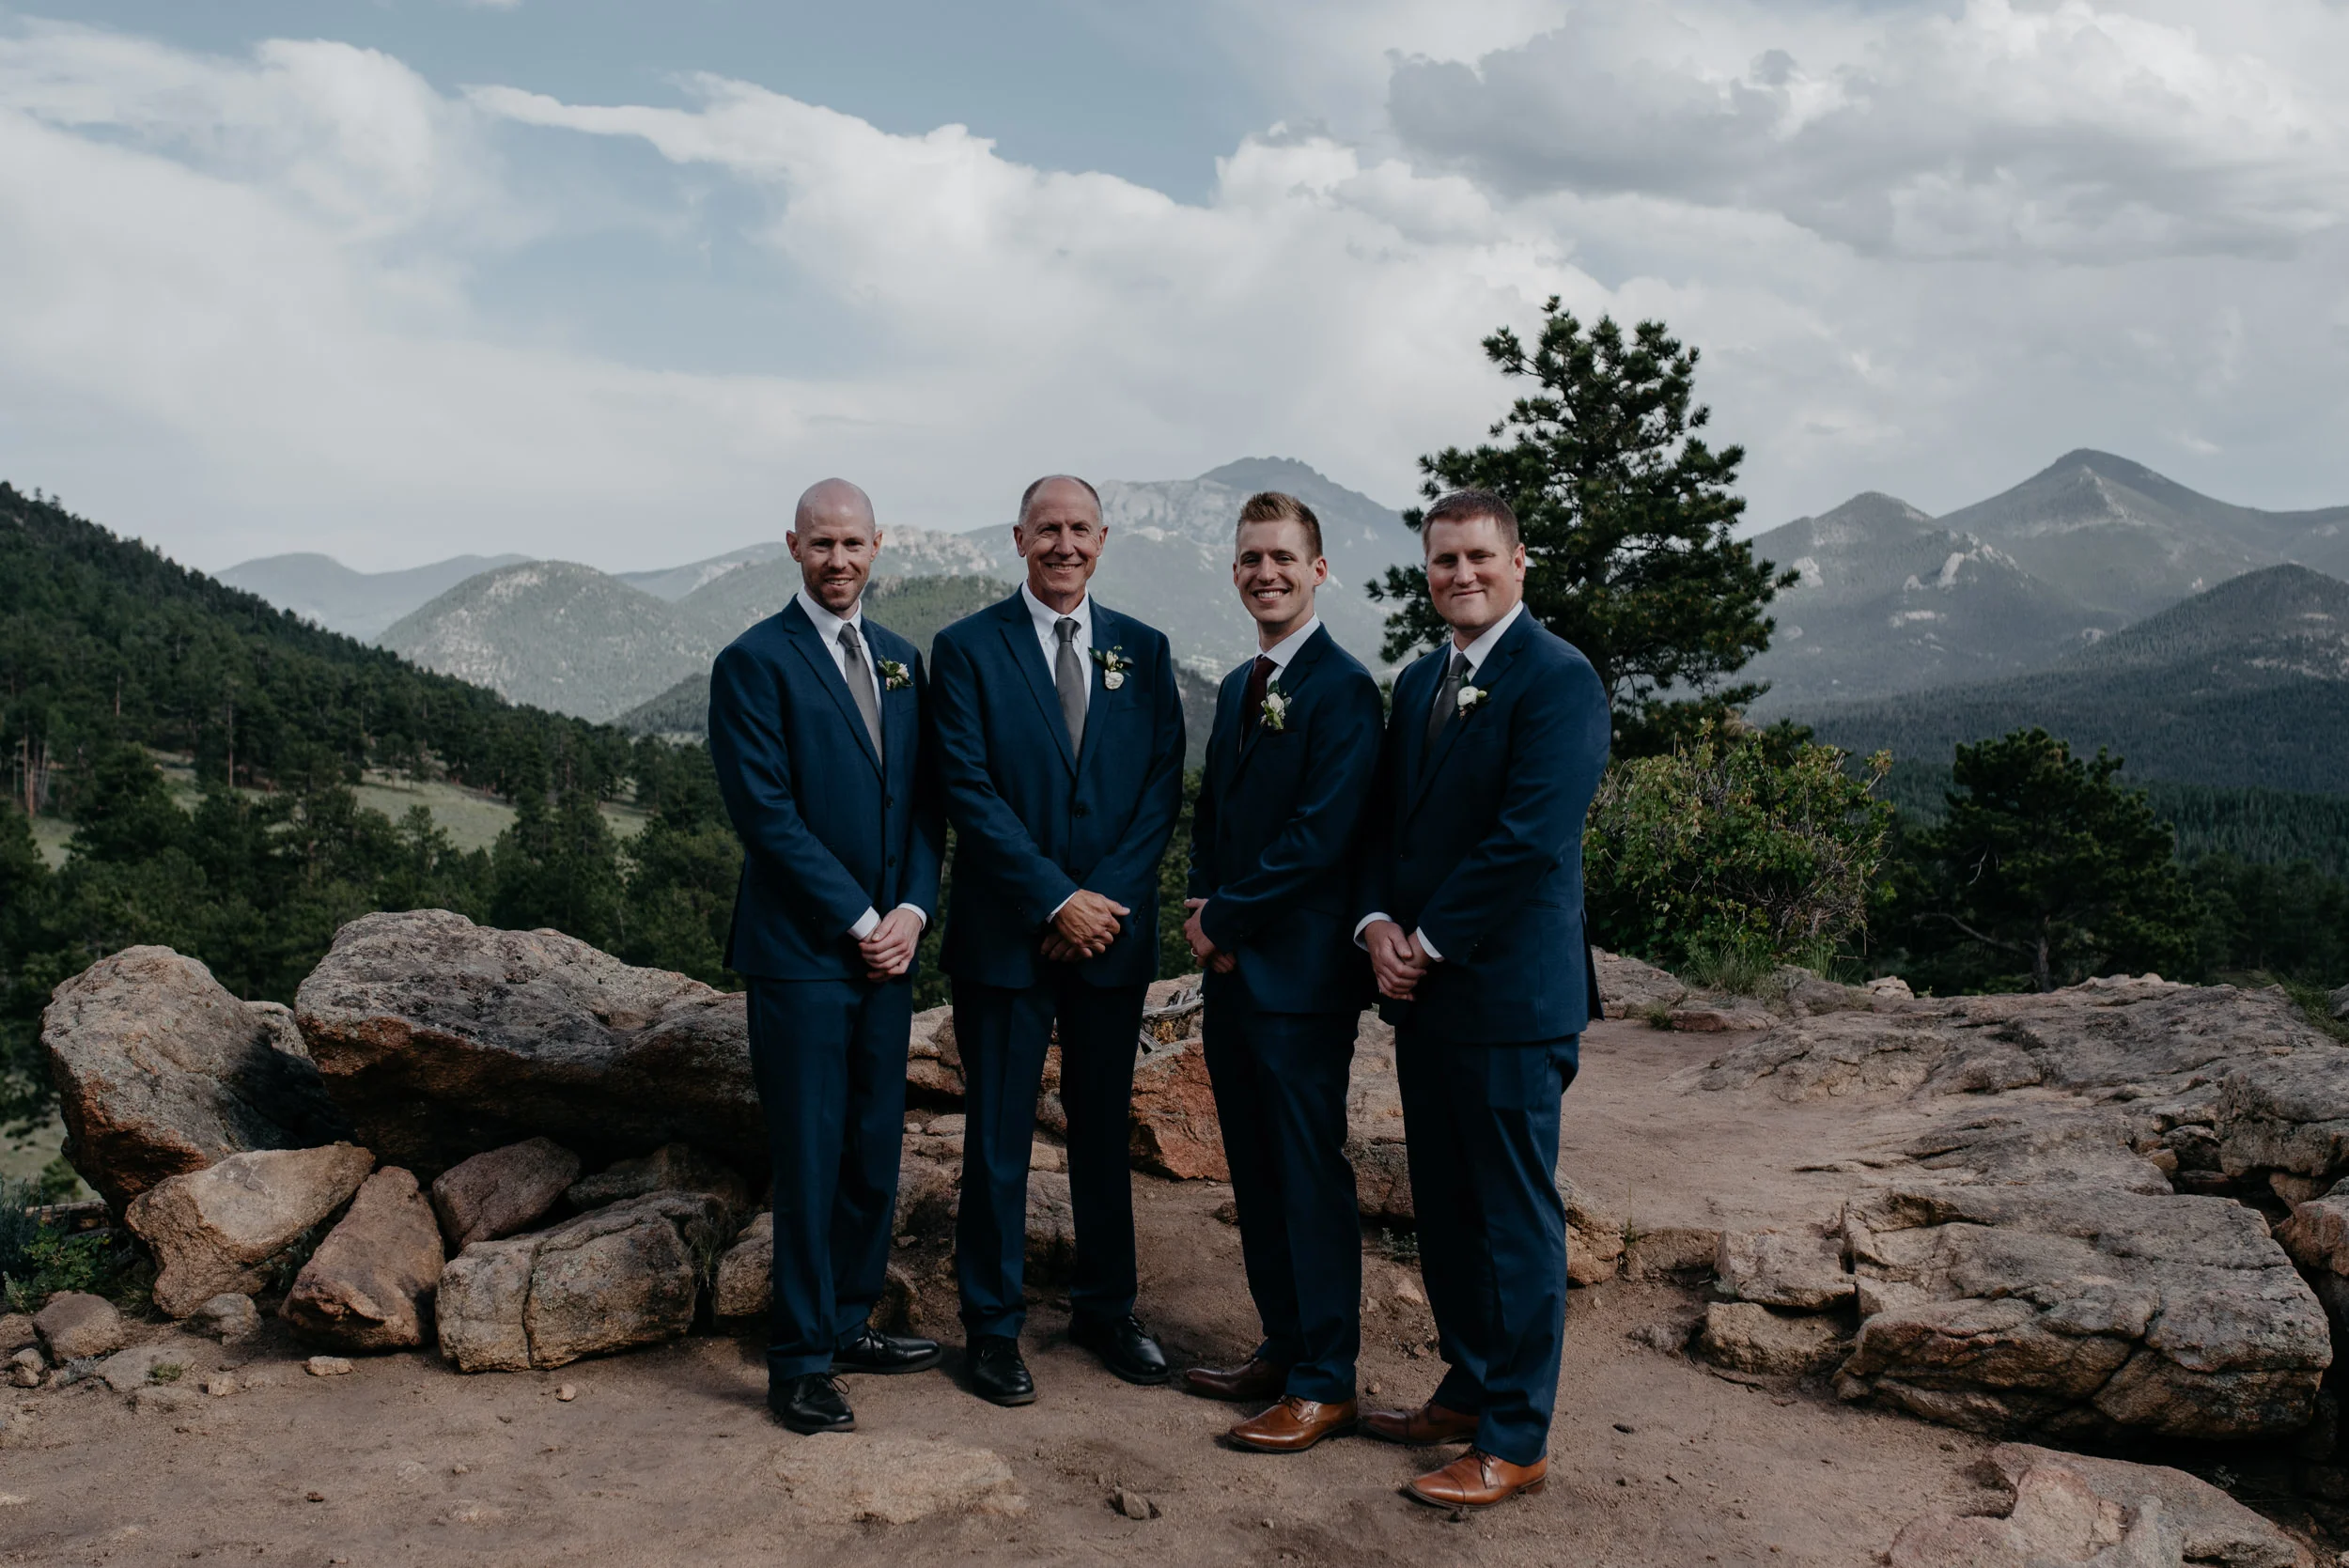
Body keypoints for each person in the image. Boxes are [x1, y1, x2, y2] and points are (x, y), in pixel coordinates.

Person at [1352, 488, 1610, 1509]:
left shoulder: (1558, 679)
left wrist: (1429, 939)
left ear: (1517, 561)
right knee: (1447, 1211)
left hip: (1508, 995)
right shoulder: (1421, 680)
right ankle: (1466, 1387)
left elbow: (1528, 835)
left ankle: (1516, 1435)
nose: (1459, 575)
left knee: (1511, 1218)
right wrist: (1373, 924)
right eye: (1443, 561)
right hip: (1423, 995)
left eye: (1476, 558)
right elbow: (1385, 825)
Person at [928, 474, 1187, 1405]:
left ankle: (1106, 1307)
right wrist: (1052, 900)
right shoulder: (964, 650)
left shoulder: (1145, 652)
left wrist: (1102, 901)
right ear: (1018, 538)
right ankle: (992, 1327)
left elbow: (1162, 786)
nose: (1063, 544)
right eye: (1047, 529)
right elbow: (966, 788)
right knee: (997, 1138)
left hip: (1111, 938)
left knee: (1101, 1129)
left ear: (1103, 538)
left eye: (1079, 529)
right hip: (1007, 936)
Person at [707, 477, 947, 1436]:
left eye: (853, 544)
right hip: (804, 954)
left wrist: (914, 910)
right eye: (821, 544)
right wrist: (859, 917)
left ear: (878, 546)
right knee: (808, 1157)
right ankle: (799, 1359)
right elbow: (766, 816)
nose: (838, 560)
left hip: (891, 951)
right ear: (792, 547)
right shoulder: (752, 661)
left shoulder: (899, 660)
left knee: (871, 1151)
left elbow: (927, 804)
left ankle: (849, 1321)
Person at [1177, 491, 1383, 1452]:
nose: (1266, 572)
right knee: (1255, 1171)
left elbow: (1319, 840)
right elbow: (1211, 813)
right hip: (1232, 973)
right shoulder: (1236, 686)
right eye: (1251, 558)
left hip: (1300, 981)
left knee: (1305, 1173)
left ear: (1318, 570)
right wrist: (1198, 904)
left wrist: (1223, 917)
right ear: (1235, 573)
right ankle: (1281, 1342)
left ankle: (1325, 1377)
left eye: (1284, 558)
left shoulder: (1343, 690)